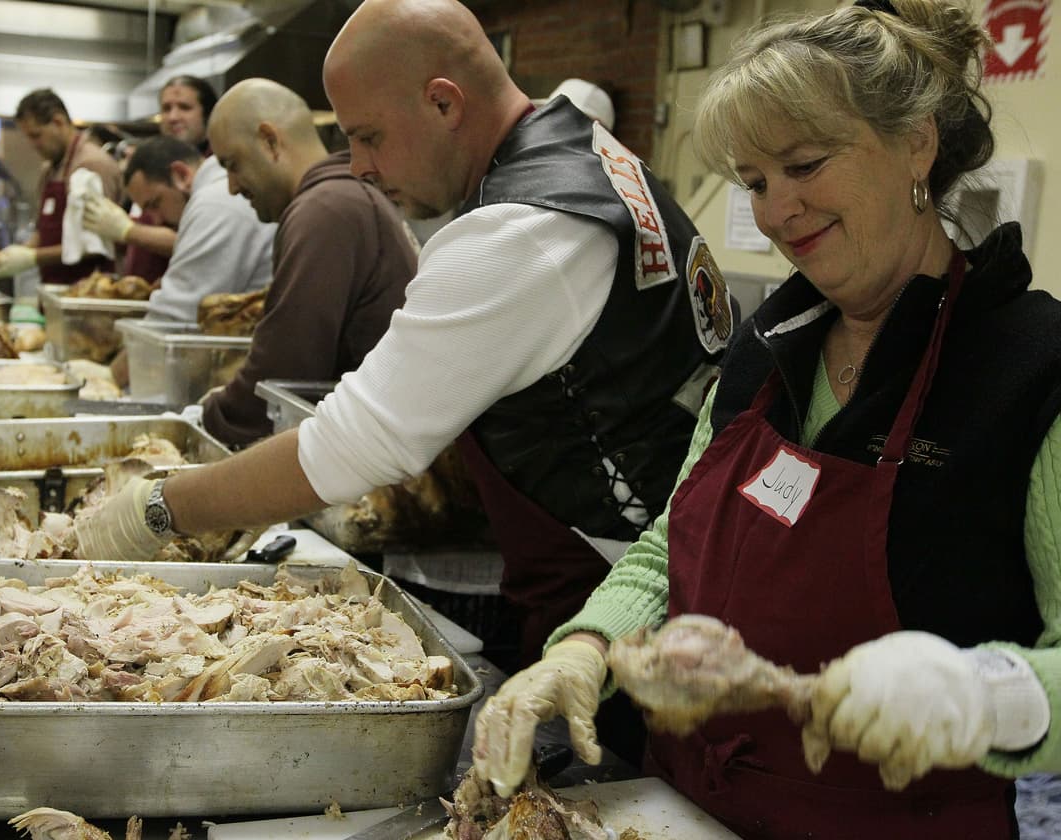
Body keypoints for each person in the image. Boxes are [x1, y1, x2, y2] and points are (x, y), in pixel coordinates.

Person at [472, 1, 1061, 837]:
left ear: (917, 144)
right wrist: (586, 647)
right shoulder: (766, 349)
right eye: (754, 181)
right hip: (684, 812)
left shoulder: (1029, 369)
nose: (778, 211)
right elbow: (670, 545)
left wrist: (982, 696)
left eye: (806, 164)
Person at [75, 0, 727, 740]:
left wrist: (157, 509)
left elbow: (349, 448)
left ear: (444, 102)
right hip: (645, 579)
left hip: (630, 609)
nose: (359, 166)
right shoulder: (586, 151)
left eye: (367, 136)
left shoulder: (518, 231)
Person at [199, 77, 415, 447]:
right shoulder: (337, 199)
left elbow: (283, 371)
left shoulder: (325, 210)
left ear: (270, 140)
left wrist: (212, 414)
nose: (233, 187)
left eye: (232, 164)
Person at [119, 135, 273, 325]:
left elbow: (175, 319)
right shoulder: (214, 197)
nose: (156, 220)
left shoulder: (214, 204)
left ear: (181, 174)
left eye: (156, 203)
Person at [83, 76, 221, 282]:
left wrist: (127, 230)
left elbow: (200, 243)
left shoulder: (220, 174)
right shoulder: (148, 163)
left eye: (184, 107)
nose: (173, 117)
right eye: (166, 108)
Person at [0, 89, 122, 285]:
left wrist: (32, 257)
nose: (33, 145)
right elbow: (44, 231)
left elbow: (93, 245)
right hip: (53, 289)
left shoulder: (91, 165)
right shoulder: (49, 169)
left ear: (58, 122)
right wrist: (18, 253)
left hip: (87, 291)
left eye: (36, 135)